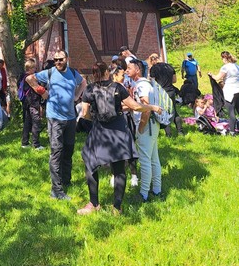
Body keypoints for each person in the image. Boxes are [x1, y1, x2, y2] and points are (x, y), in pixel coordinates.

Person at [77, 62, 162, 215]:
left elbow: (84, 113)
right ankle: (117, 207)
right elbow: (135, 106)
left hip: (99, 130)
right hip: (118, 130)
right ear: (107, 72)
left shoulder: (89, 89)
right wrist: (152, 107)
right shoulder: (117, 87)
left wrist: (94, 118)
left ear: (94, 74)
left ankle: (94, 203)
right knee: (118, 168)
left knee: (90, 164)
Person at [26, 49, 86, 200]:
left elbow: (83, 82)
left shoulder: (73, 73)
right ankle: (56, 190)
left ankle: (66, 181)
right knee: (57, 152)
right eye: (56, 60)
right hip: (55, 118)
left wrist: (76, 96)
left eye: (61, 59)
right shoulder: (49, 73)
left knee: (68, 150)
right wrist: (42, 92)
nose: (58, 62)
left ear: (67, 59)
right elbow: (29, 78)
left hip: (70, 118)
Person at [126, 58, 163, 202]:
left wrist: (140, 127)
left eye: (129, 68)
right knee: (154, 158)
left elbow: (146, 108)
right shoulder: (144, 84)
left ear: (138, 70)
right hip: (152, 124)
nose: (127, 70)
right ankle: (157, 189)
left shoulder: (142, 85)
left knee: (145, 160)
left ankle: (144, 193)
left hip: (147, 125)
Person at [149, 53, 184, 137]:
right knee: (174, 111)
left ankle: (169, 134)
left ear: (153, 60)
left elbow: (153, 82)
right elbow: (174, 80)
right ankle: (180, 131)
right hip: (171, 91)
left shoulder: (154, 68)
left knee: (164, 113)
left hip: (161, 93)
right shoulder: (169, 66)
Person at [209, 51, 239, 136]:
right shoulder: (236, 66)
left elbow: (217, 78)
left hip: (230, 91)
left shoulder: (225, 67)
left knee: (231, 112)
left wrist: (211, 75)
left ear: (224, 58)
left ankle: (232, 132)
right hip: (238, 90)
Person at [18, 59, 44, 150]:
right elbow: (36, 89)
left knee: (27, 122)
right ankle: (36, 144)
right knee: (36, 122)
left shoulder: (22, 76)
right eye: (34, 68)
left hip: (26, 102)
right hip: (33, 102)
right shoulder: (30, 78)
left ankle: (25, 142)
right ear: (30, 68)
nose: (35, 69)